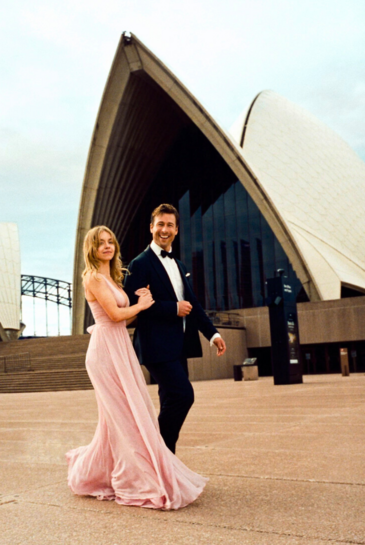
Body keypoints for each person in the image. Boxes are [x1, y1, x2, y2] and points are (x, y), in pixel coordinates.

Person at [66, 225, 208, 510]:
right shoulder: (93, 278)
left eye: (110, 242)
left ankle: (101, 471)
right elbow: (117, 315)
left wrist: (145, 302)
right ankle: (133, 478)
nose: (106, 246)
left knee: (122, 417)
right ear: (91, 249)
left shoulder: (113, 279)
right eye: (100, 243)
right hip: (105, 352)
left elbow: (125, 320)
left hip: (120, 347)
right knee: (125, 416)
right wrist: (142, 306)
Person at [124, 204, 226, 454]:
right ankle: (155, 452)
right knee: (183, 396)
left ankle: (164, 464)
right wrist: (173, 308)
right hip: (155, 346)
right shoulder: (140, 263)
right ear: (151, 227)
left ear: (177, 230)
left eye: (170, 225)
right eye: (160, 224)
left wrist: (213, 334)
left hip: (179, 346)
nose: (164, 229)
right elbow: (132, 305)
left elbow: (193, 305)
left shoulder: (179, 265)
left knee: (170, 401)